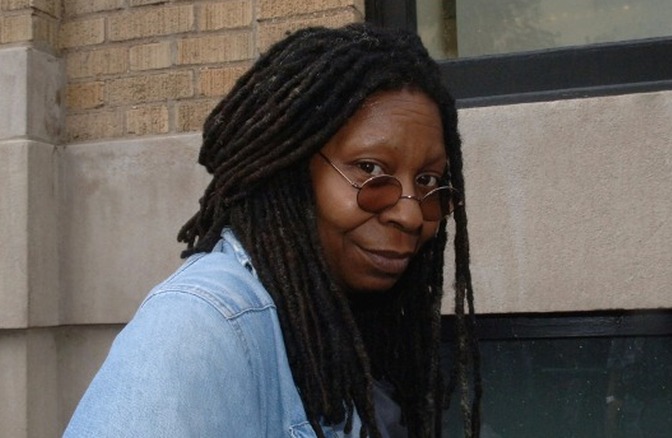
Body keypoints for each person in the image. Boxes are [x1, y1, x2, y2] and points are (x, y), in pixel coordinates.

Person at [64, 23, 481, 437]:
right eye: (370, 170)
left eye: (428, 180)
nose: (410, 216)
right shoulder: (199, 325)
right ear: (290, 171)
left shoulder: (359, 320)